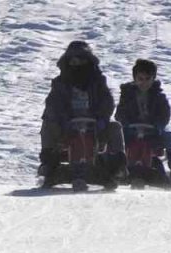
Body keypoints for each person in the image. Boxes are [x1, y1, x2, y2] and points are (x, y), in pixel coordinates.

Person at [38, 40, 124, 189]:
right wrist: (61, 119)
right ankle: (48, 164)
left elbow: (107, 102)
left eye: (81, 60)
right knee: (47, 124)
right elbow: (52, 104)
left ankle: (116, 167)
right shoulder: (60, 83)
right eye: (73, 60)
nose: (77, 64)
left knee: (115, 128)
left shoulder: (98, 82)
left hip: (95, 128)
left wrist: (102, 119)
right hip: (66, 128)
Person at [115, 58, 171, 183]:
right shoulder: (127, 95)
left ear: (153, 79)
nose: (144, 83)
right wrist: (125, 123)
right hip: (130, 131)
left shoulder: (158, 96)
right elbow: (120, 113)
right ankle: (118, 168)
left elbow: (165, 114)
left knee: (170, 138)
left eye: (148, 79)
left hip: (152, 132)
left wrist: (158, 125)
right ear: (135, 79)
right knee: (116, 139)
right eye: (140, 79)